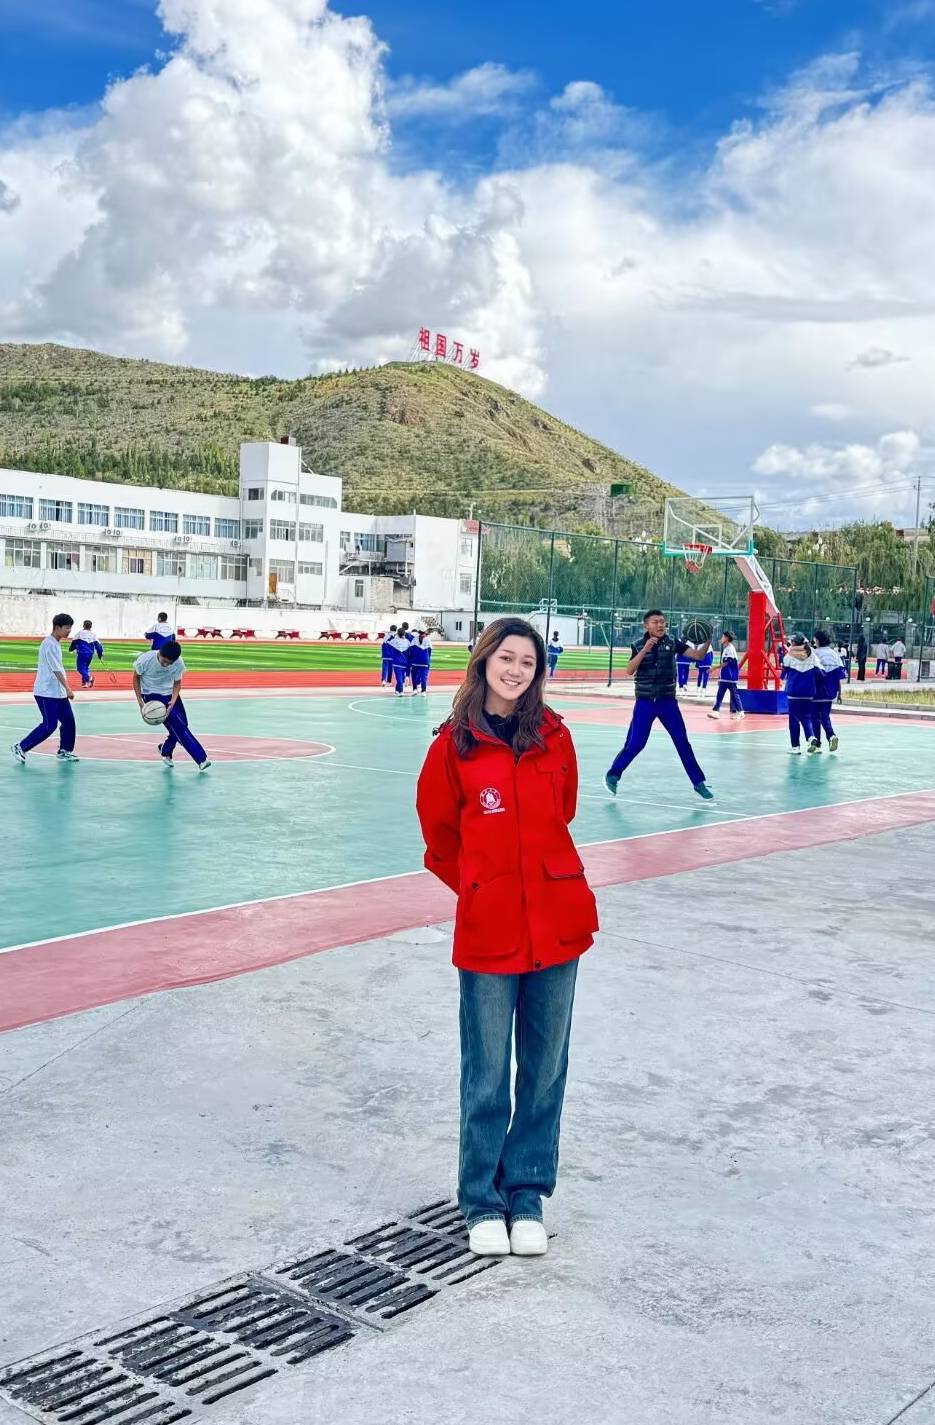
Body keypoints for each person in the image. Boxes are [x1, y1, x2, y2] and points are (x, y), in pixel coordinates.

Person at [416, 617, 598, 1258]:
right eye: (506, 658)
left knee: (545, 1070)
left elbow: (563, 811)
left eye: (528, 662)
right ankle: (482, 1201)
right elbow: (439, 840)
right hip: (490, 929)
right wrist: (482, 888)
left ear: (538, 673)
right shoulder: (452, 748)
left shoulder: (556, 738)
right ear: (484, 661)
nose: (516, 670)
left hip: (559, 922)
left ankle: (527, 1196)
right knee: (487, 1071)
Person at [604, 610, 715, 800]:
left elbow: (697, 655)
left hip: (667, 702)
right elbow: (629, 670)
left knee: (682, 742)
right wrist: (644, 650)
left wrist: (708, 639)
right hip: (645, 702)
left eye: (662, 622)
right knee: (636, 743)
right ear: (646, 626)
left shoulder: (673, 643)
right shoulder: (638, 645)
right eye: (655, 622)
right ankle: (613, 774)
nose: (660, 625)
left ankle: (698, 783)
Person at [11, 613, 79, 764]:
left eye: (70, 628)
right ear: (57, 627)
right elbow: (56, 670)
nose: (69, 631)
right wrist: (68, 688)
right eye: (67, 628)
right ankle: (20, 747)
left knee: (68, 721)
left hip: (57, 692)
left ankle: (65, 750)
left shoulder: (56, 643)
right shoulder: (49, 644)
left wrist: (64, 690)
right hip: (46, 692)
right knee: (49, 725)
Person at [133, 641, 211, 770]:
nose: (166, 665)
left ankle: (165, 750)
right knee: (179, 727)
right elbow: (136, 678)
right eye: (164, 661)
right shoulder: (145, 660)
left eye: (169, 663)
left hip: (170, 694)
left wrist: (173, 701)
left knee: (183, 724)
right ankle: (201, 759)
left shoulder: (178, 663)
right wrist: (140, 701)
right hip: (151, 694)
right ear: (159, 653)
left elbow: (177, 683)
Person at [782, 635, 820, 755]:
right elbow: (819, 670)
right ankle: (811, 737)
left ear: (794, 643)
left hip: (794, 691)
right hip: (808, 691)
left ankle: (795, 747)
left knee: (793, 720)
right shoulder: (811, 654)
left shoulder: (789, 656)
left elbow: (783, 673)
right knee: (806, 717)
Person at [812, 631, 846, 752]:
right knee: (825, 715)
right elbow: (838, 676)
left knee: (814, 717)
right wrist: (839, 693)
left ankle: (817, 744)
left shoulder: (814, 654)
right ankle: (831, 736)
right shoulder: (834, 654)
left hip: (816, 690)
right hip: (830, 690)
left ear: (818, 641)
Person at [707, 630, 744, 720]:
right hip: (725, 676)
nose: (721, 639)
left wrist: (714, 668)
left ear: (726, 638)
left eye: (723, 637)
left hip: (730, 677)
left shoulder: (730, 649)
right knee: (720, 694)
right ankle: (716, 711)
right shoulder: (727, 648)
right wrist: (720, 677)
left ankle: (741, 712)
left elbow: (726, 663)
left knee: (734, 694)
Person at [70, 619, 104, 689]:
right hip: (90, 654)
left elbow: (74, 642)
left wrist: (71, 649)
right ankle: (84, 683)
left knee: (80, 668)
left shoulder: (80, 633)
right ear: (91, 626)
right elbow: (99, 647)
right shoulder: (93, 635)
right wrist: (100, 656)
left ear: (83, 625)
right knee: (85, 667)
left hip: (82, 653)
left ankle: (89, 678)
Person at [388, 627, 411, 696]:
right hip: (405, 662)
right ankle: (397, 690)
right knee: (401, 677)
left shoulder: (395, 641)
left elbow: (388, 641)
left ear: (398, 634)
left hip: (397, 662)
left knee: (399, 678)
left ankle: (401, 691)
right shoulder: (407, 641)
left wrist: (394, 635)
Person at [409, 629, 432, 695]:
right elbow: (429, 652)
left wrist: (411, 659)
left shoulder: (414, 639)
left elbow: (410, 651)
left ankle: (415, 689)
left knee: (414, 676)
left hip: (415, 661)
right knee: (424, 677)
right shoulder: (428, 640)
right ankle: (423, 691)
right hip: (424, 661)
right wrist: (428, 660)